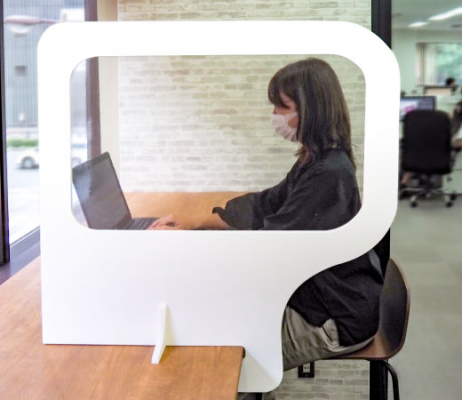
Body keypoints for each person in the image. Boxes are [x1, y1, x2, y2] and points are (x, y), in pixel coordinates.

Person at [149, 58, 384, 399]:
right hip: (323, 298)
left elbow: (269, 245)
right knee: (225, 328)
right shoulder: (316, 160)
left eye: (282, 106)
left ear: (311, 109)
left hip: (336, 315)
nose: (275, 114)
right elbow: (266, 204)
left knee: (225, 360)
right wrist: (196, 222)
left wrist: (192, 247)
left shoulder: (329, 173)